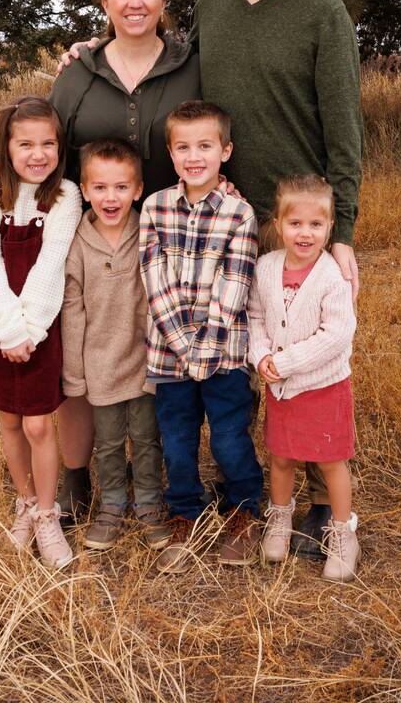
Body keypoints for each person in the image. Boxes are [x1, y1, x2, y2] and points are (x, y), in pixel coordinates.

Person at [57, 0, 363, 554]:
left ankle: (312, 501)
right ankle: (245, 494)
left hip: (290, 225)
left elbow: (346, 131)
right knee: (240, 365)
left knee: (301, 359)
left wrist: (339, 233)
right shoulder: (218, 2)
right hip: (214, 216)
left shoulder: (321, 9)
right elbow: (157, 57)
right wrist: (84, 52)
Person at [0, 0, 201, 521]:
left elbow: (211, 130)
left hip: (169, 228)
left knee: (155, 342)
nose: (135, 3)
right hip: (86, 232)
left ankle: (165, 477)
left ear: (164, 2)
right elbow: (41, 139)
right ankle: (74, 477)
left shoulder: (193, 66)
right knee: (79, 345)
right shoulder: (79, 71)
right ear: (104, 4)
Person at [140, 100, 263, 573]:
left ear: (225, 151)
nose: (195, 157)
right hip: (169, 356)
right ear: (170, 155)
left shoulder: (239, 214)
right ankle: (185, 513)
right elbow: (155, 280)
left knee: (230, 438)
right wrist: (185, 350)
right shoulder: (154, 207)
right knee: (177, 439)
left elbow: (234, 288)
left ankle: (243, 510)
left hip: (224, 356)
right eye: (183, 147)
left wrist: (204, 352)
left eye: (205, 146)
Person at [0, 96, 82, 568]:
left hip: (42, 322)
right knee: (9, 420)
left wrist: (28, 329)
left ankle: (49, 515)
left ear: (60, 147)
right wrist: (8, 329)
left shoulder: (66, 197)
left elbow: (51, 265)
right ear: (5, 150)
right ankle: (26, 503)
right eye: (26, 144)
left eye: (48, 143)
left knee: (37, 422)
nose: (38, 154)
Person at [248, 174, 359, 582]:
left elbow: (337, 334)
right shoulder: (265, 268)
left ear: (331, 228)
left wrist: (287, 360)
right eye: (295, 224)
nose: (305, 233)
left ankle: (343, 532)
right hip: (280, 386)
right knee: (281, 456)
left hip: (323, 385)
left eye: (316, 225)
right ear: (278, 225)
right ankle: (280, 519)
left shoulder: (333, 276)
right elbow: (256, 318)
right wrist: (260, 355)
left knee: (331, 460)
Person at [61, 138, 170, 552]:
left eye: (122, 187)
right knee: (107, 442)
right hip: (100, 364)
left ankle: (147, 502)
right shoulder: (77, 244)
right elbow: (72, 311)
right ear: (85, 190)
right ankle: (111, 504)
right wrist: (75, 373)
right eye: (101, 188)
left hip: (144, 361)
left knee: (146, 438)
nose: (111, 197)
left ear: (138, 189)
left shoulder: (150, 231)